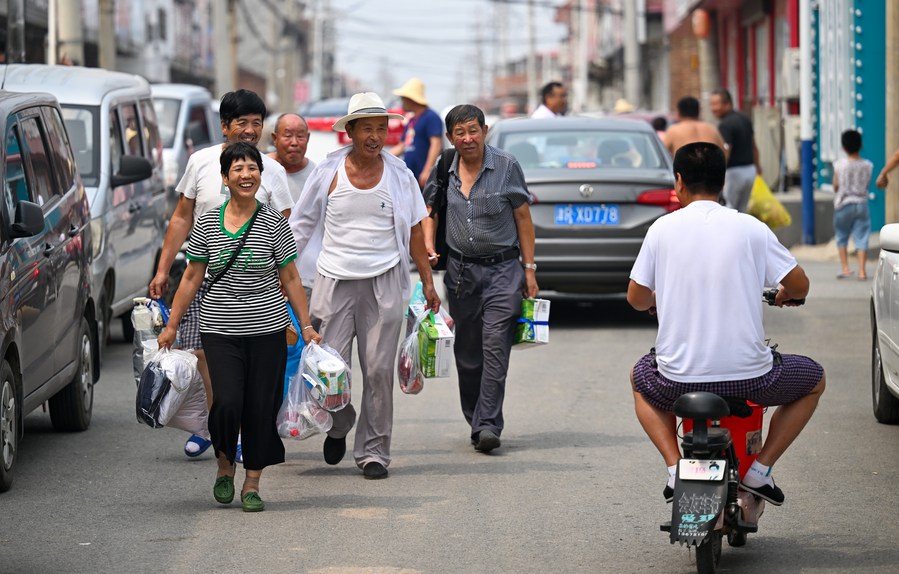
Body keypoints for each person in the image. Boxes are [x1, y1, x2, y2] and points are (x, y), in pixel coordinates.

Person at [627, 142, 826, 506]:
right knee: (815, 379)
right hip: (752, 377)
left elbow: (636, 298)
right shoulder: (751, 228)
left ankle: (675, 469)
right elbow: (800, 285)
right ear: (722, 183)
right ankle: (760, 472)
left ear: (679, 182)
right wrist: (783, 294)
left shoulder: (661, 229)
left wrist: (658, 299)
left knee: (639, 379)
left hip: (675, 381)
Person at [157, 142, 320, 512]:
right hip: (220, 329)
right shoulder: (208, 221)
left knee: (261, 407)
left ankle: (252, 482)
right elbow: (192, 277)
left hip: (268, 330)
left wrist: (306, 325)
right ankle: (224, 466)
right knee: (227, 403)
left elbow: (291, 277)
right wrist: (172, 324)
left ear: (260, 175)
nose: (246, 175)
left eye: (252, 168)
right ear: (225, 177)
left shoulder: (274, 221)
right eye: (238, 169)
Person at [290, 92, 441, 480]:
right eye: (367, 128)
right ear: (351, 131)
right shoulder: (328, 172)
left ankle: (374, 452)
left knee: (377, 371)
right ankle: (340, 423)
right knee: (329, 370)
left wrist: (427, 283)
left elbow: (413, 232)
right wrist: (280, 277)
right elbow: (301, 227)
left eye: (381, 128)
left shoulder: (400, 174)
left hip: (385, 279)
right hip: (333, 281)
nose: (375, 136)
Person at [148, 89, 294, 460]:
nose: (249, 131)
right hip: (205, 277)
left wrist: (275, 273)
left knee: (248, 365)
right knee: (204, 355)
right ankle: (220, 426)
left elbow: (283, 224)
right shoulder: (200, 162)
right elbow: (182, 215)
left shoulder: (271, 170)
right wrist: (164, 268)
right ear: (224, 125)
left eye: (256, 124)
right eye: (241, 123)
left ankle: (239, 434)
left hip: (255, 287)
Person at [422, 104, 539, 453]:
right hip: (461, 274)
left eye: (473, 130)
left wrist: (529, 270)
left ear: (485, 131)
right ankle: (475, 417)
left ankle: (488, 424)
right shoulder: (444, 167)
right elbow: (430, 212)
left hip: (504, 269)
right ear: (450, 137)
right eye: (460, 132)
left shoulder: (506, 165)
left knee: (494, 346)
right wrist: (428, 247)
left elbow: (523, 217)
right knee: (468, 352)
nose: (468, 138)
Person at [710, 88, 762, 213]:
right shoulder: (744, 118)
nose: (713, 108)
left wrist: (719, 173)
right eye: (712, 104)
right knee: (742, 210)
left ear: (728, 104)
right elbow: (754, 145)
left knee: (728, 208)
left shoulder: (725, 124)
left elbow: (727, 150)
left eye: (716, 104)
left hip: (734, 173)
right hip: (750, 170)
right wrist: (758, 167)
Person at [832, 129, 873, 280]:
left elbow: (836, 186)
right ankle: (862, 271)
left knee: (841, 236)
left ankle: (845, 268)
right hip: (862, 203)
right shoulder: (868, 165)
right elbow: (867, 184)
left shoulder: (839, 165)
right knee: (862, 236)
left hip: (843, 204)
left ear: (843, 147)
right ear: (861, 145)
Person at [389, 78, 444, 189]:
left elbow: (436, 144)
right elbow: (402, 145)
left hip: (424, 178)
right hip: (411, 176)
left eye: (403, 98)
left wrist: (427, 170)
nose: (402, 102)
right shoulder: (412, 121)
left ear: (412, 99)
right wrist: (380, 157)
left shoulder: (431, 117)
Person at [268, 113, 316, 205]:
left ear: (308, 138)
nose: (294, 142)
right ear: (275, 138)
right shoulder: (260, 169)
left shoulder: (316, 175)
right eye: (288, 135)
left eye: (300, 136)